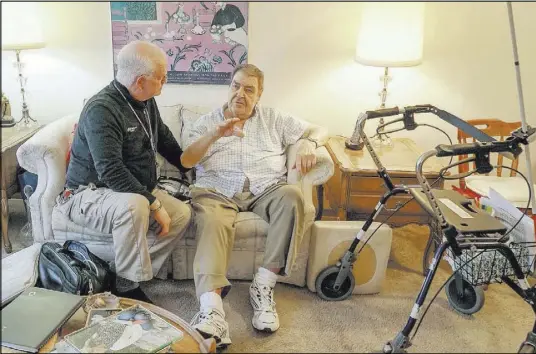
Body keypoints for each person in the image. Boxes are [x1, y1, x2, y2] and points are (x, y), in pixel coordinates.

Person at [51, 40, 243, 303]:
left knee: (181, 214)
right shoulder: (102, 110)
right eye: (161, 77)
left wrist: (214, 134)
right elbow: (111, 171)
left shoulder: (147, 102)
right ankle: (128, 288)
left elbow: (177, 155)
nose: (166, 81)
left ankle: (120, 274)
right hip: (88, 193)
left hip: (132, 192)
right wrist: (153, 202)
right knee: (135, 206)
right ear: (140, 81)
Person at [183, 63, 328, 348]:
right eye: (236, 86)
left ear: (259, 95)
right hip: (217, 189)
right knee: (211, 221)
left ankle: (263, 287)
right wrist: (215, 134)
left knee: (293, 197)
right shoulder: (206, 122)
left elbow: (319, 129)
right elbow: (187, 160)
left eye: (249, 89)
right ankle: (212, 310)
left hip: (266, 187)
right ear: (228, 88)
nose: (240, 93)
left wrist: (310, 143)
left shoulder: (274, 119)